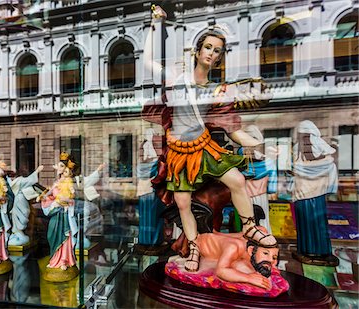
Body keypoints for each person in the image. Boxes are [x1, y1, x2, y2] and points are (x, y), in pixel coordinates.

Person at [144, 5, 276, 272]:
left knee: (237, 180)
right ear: (198, 50)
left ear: (218, 58)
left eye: (217, 51)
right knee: (183, 204)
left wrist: (258, 143)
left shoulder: (217, 90)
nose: (211, 53)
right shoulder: (177, 79)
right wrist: (155, 25)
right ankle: (194, 248)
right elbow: (147, 62)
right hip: (179, 152)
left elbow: (232, 130)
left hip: (203, 147)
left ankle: (250, 226)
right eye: (208, 48)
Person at [291, 120, 339, 266]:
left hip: (311, 193)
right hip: (306, 192)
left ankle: (316, 251)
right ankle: (308, 251)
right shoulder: (301, 147)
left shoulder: (316, 145)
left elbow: (297, 167)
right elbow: (329, 160)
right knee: (308, 222)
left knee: (315, 223)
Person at [38, 152, 77, 271]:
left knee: (64, 235)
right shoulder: (57, 182)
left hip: (63, 213)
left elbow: (72, 197)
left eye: (61, 166)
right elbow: (50, 193)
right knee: (52, 234)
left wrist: (60, 201)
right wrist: (44, 197)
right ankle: (55, 258)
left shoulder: (69, 182)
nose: (58, 168)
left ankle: (64, 260)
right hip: (55, 213)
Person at [7, 165, 44, 246]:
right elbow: (29, 180)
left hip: (20, 199)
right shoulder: (20, 180)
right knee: (22, 214)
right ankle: (18, 232)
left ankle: (19, 232)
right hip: (20, 199)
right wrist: (37, 171)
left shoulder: (17, 180)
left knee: (23, 213)